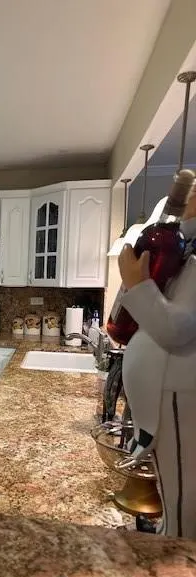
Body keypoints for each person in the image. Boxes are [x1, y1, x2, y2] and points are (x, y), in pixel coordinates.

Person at [119, 187, 196, 539]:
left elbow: (175, 329)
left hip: (181, 395)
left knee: (183, 491)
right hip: (172, 394)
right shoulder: (183, 253)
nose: (189, 199)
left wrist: (137, 284)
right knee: (175, 485)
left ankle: (177, 553)